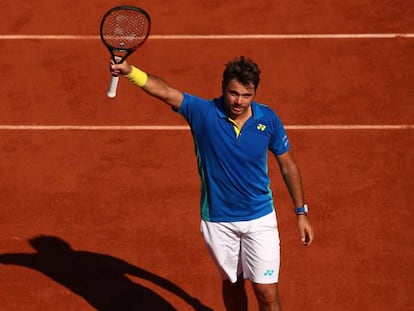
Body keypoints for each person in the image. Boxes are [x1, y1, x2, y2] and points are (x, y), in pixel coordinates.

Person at [110, 56, 314, 311]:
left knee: (266, 292)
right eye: (233, 93)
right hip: (218, 221)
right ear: (223, 89)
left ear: (254, 93)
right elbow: (164, 91)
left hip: (260, 218)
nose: (239, 101)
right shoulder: (203, 113)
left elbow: (288, 165)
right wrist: (130, 71)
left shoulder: (268, 120)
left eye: (246, 95)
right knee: (232, 283)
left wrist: (300, 212)